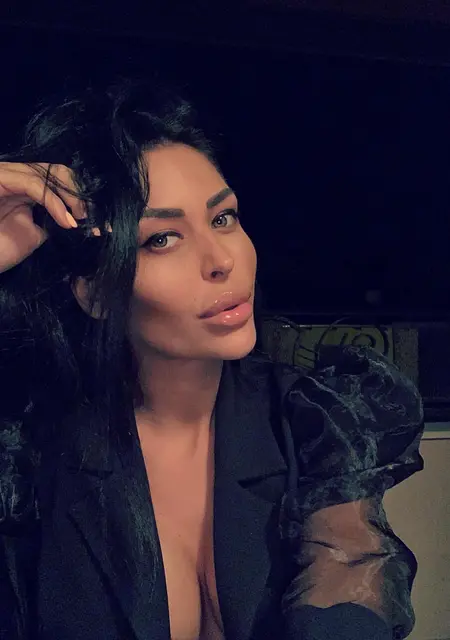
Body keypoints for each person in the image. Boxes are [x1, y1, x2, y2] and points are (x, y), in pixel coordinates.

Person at [0, 79, 424, 640]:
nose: (221, 259)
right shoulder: (27, 449)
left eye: (223, 218)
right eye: (162, 239)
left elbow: (349, 567)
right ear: (95, 292)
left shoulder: (315, 418)